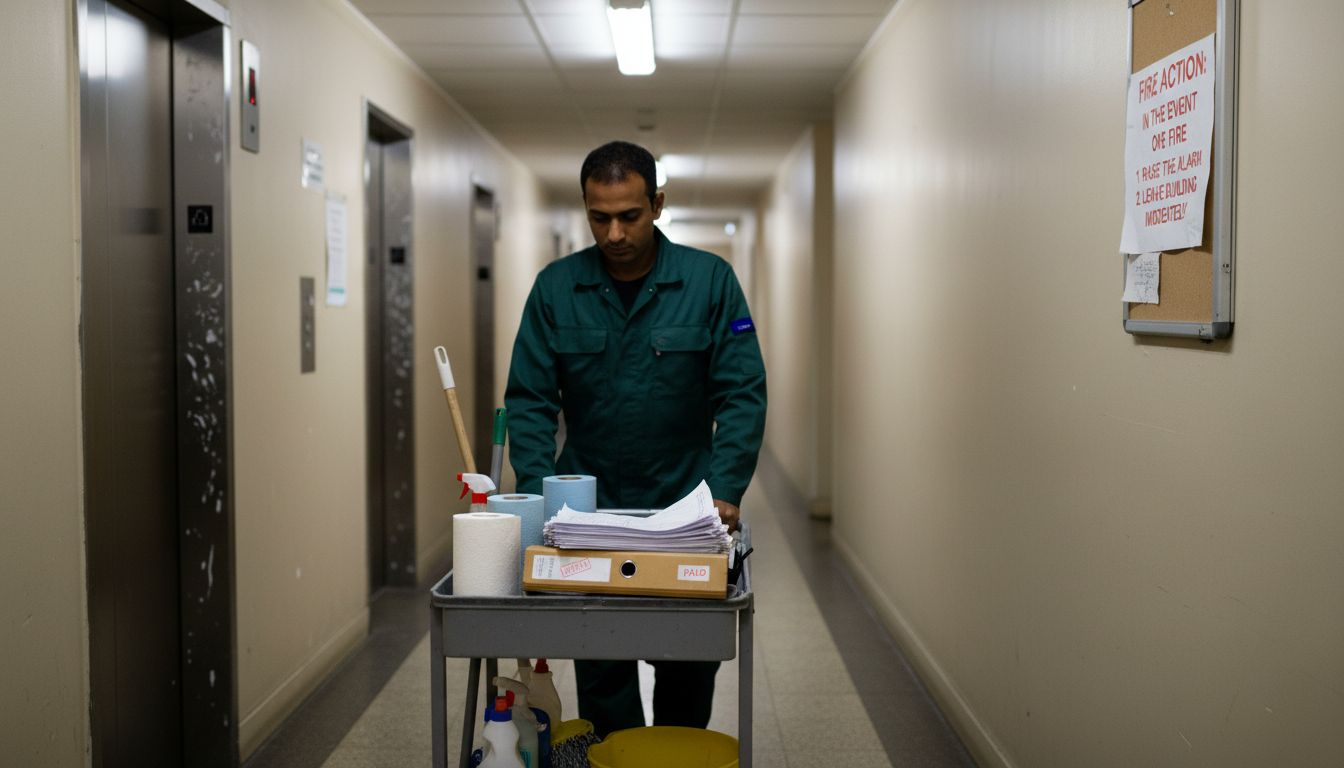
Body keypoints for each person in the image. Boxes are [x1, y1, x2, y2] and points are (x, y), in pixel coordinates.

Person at [504, 140, 767, 737]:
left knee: (687, 674)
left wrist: (727, 488)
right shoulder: (556, 288)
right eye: (600, 218)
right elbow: (529, 400)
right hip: (587, 516)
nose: (615, 233)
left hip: (686, 514)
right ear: (586, 210)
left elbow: (742, 391)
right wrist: (539, 493)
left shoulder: (710, 282)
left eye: (630, 215)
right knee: (602, 677)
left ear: (657, 205)